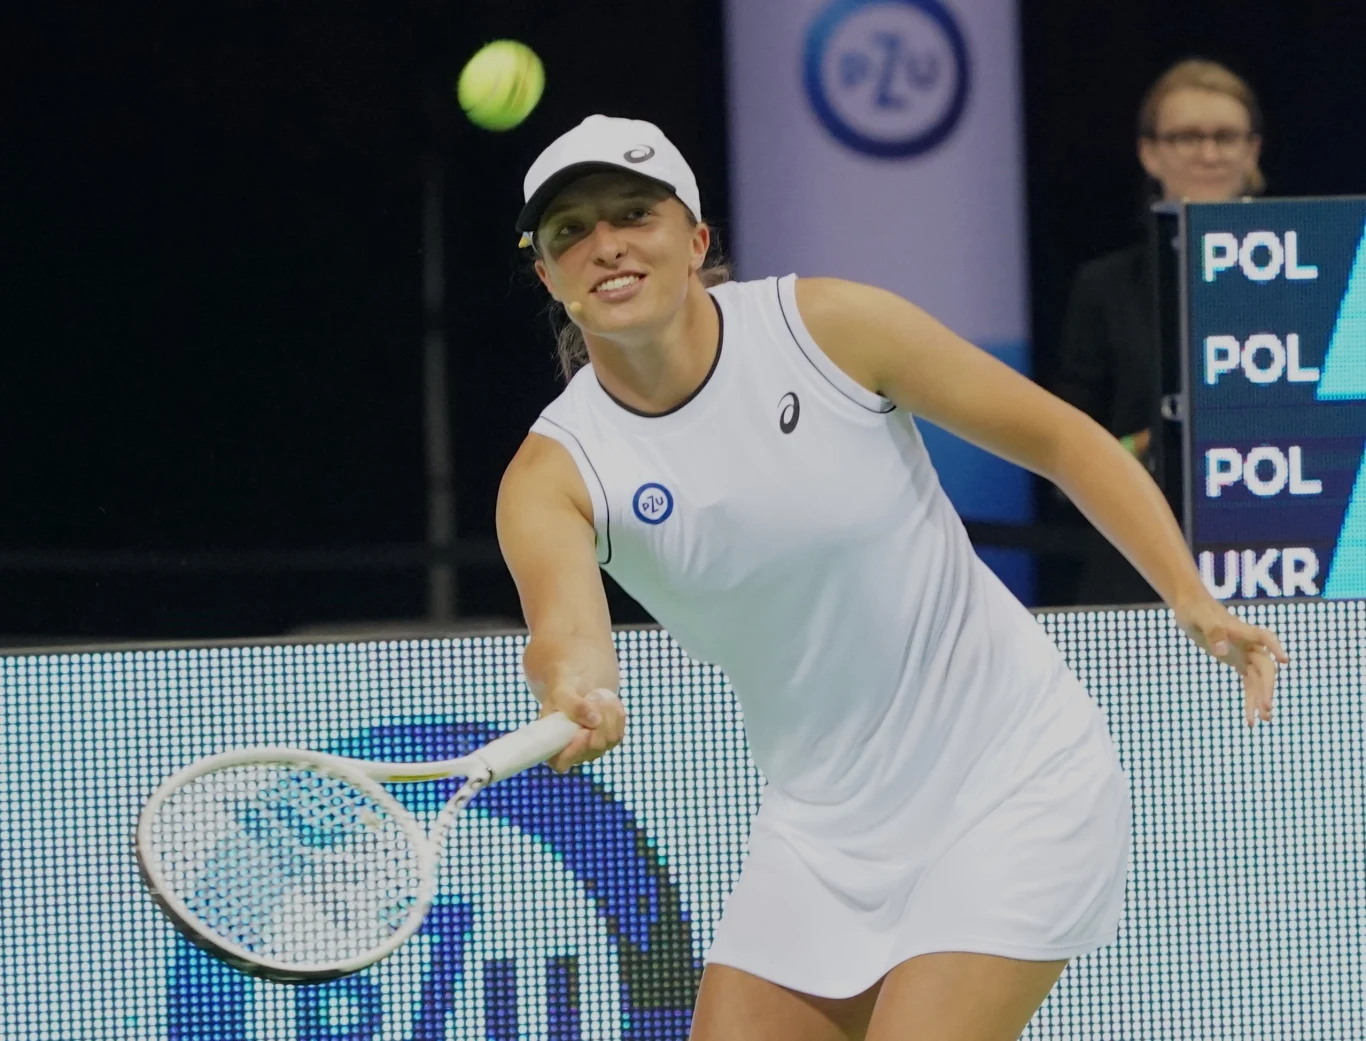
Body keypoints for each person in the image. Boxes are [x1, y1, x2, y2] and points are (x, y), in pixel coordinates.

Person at [496, 114, 1287, 1041]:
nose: (606, 245)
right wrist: (578, 692)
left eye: (634, 213)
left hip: (1011, 780)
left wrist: (1190, 596)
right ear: (548, 276)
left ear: (697, 239)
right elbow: (569, 635)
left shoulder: (826, 327)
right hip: (821, 829)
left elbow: (1063, 439)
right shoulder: (553, 470)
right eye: (570, 234)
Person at [1052, 58, 1266, 605]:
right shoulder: (1104, 287)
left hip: (1283, 562)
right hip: (1139, 578)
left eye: (1225, 136)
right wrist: (1159, 446)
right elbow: (1057, 461)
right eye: (1187, 137)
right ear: (1150, 152)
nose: (1209, 153)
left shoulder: (1311, 279)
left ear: (1252, 150)